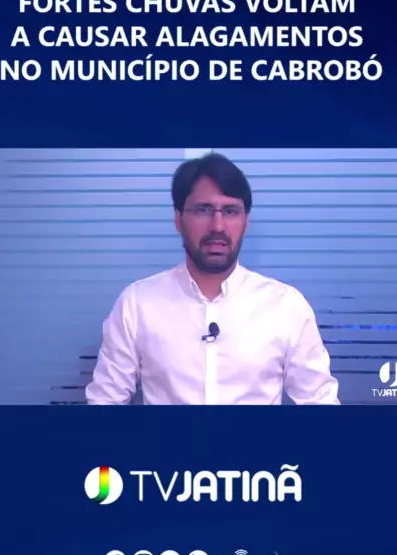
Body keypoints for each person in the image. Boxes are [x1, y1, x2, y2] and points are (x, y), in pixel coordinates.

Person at [85, 152, 340, 405]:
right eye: (203, 210)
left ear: (246, 222)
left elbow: (319, 402)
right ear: (178, 219)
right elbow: (105, 401)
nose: (217, 226)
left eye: (230, 211)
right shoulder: (137, 304)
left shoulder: (286, 306)